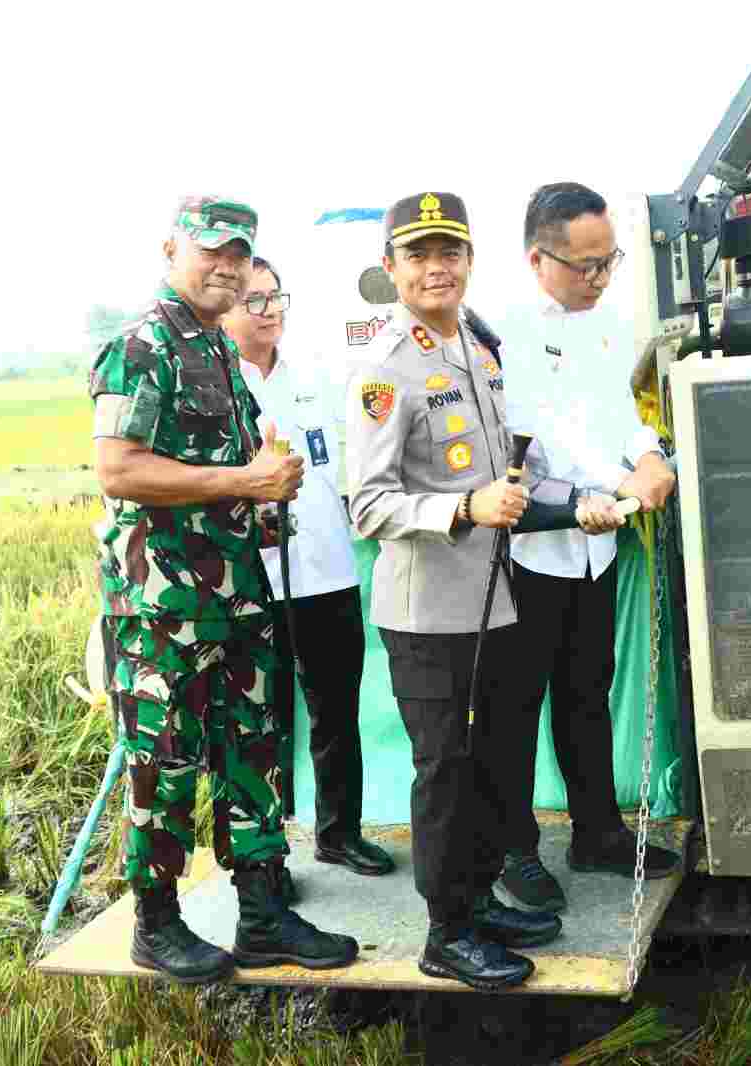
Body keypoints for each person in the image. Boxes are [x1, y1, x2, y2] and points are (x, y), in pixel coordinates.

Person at [90, 195, 358, 984]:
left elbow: (224, 475)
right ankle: (157, 922)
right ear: (171, 248)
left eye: (240, 254)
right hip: (166, 609)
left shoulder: (216, 351)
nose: (227, 266)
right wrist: (243, 478)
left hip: (238, 596)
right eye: (212, 251)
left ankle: (265, 914)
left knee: (253, 758)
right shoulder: (142, 346)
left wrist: (261, 501)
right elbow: (120, 467)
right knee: (164, 765)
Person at [347, 191, 577, 991]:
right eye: (418, 255)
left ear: (471, 260)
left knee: (485, 762)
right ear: (391, 270)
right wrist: (462, 507)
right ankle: (446, 932)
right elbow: (367, 502)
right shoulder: (385, 369)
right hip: (426, 611)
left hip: (494, 596)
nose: (436, 268)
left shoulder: (478, 349)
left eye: (449, 252)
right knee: (444, 770)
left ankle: (478, 898)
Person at [489, 182, 682, 914]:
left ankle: (598, 832)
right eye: (583, 267)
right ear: (538, 259)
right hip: (532, 548)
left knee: (587, 694)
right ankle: (514, 849)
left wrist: (651, 455)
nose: (598, 280)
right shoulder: (501, 336)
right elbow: (539, 437)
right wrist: (611, 481)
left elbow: (615, 415)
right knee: (515, 707)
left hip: (596, 547)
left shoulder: (605, 326)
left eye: (609, 264)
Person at [222, 255, 396, 897]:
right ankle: (262, 858)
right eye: (254, 301)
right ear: (227, 309)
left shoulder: (317, 379)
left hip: (327, 568)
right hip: (256, 579)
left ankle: (338, 831)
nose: (269, 311)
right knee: (259, 723)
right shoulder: (219, 386)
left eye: (276, 298)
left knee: (335, 708)